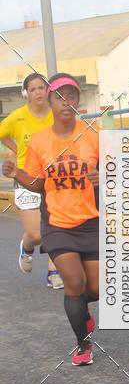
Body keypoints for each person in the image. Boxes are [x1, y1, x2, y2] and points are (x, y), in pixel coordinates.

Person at [2, 73, 100, 366]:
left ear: (78, 101)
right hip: (57, 224)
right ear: (51, 100)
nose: (66, 102)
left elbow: (118, 171)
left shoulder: (93, 135)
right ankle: (83, 345)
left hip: (91, 222)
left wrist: (104, 176)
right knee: (73, 282)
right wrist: (16, 173)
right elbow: (37, 183)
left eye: (72, 96)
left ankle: (82, 312)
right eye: (60, 96)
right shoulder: (40, 142)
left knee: (95, 288)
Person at [0, 72, 63, 288]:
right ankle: (27, 248)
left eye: (41, 88)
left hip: (55, 179)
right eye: (33, 88)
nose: (38, 92)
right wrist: (16, 150)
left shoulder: (57, 113)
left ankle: (54, 273)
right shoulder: (17, 117)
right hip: (26, 178)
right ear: (26, 93)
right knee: (36, 234)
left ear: (48, 90)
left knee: (57, 227)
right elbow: (2, 133)